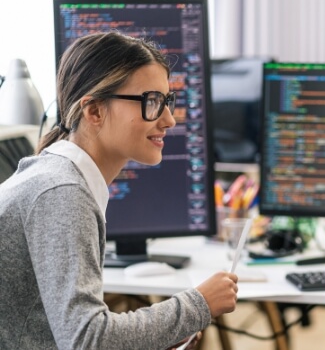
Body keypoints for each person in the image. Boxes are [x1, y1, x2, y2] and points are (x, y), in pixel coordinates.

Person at [0, 32, 238, 349]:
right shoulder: (62, 192)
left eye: (167, 101)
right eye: (151, 102)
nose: (168, 119)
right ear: (94, 111)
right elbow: (88, 340)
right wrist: (199, 304)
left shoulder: (59, 177)